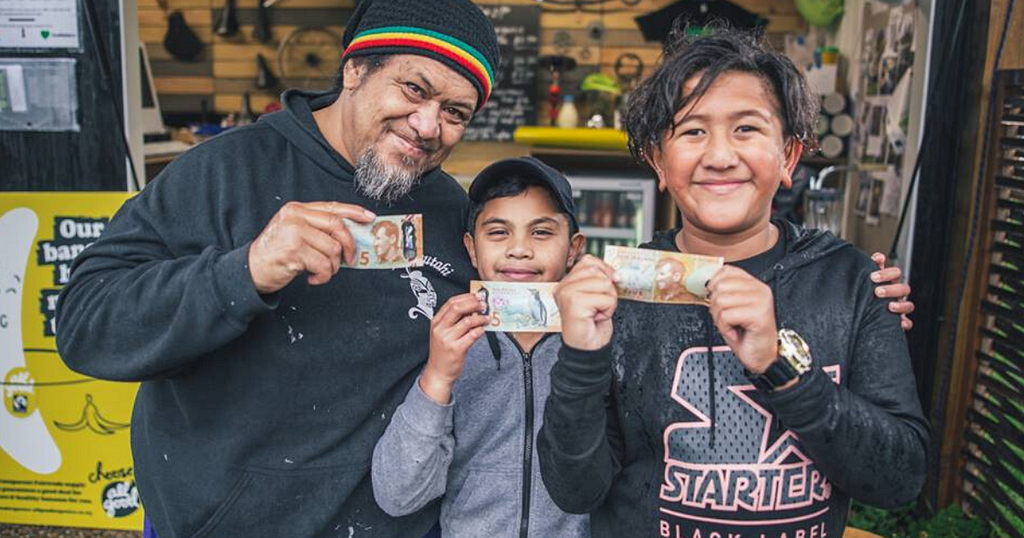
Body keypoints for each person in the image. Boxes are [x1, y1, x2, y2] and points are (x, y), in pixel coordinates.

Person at [54, 0, 500, 536]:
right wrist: (245, 271)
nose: (429, 125)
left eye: (455, 113)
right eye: (414, 89)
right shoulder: (225, 171)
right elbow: (86, 324)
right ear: (355, 69)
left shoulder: (453, 212)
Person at [537, 27, 928, 538]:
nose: (720, 155)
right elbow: (575, 490)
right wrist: (582, 356)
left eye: (746, 129)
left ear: (788, 156)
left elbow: (899, 479)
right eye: (693, 131)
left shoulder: (853, 282)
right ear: (658, 159)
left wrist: (780, 366)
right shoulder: (621, 291)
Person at [371, 157, 590, 538]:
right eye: (498, 232)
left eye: (541, 233)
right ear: (471, 249)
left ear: (573, 249)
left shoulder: (596, 342)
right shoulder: (450, 340)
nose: (519, 250)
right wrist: (438, 377)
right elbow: (397, 495)